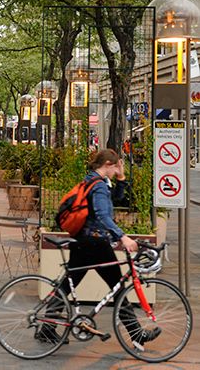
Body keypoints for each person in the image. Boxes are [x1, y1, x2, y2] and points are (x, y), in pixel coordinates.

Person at [41, 148, 161, 348]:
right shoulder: (98, 186)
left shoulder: (92, 181)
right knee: (118, 287)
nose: (116, 171)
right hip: (95, 243)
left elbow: (114, 200)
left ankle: (46, 327)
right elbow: (103, 215)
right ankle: (136, 333)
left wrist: (121, 178)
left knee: (68, 283)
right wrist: (123, 237)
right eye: (116, 168)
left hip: (83, 241)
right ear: (107, 164)